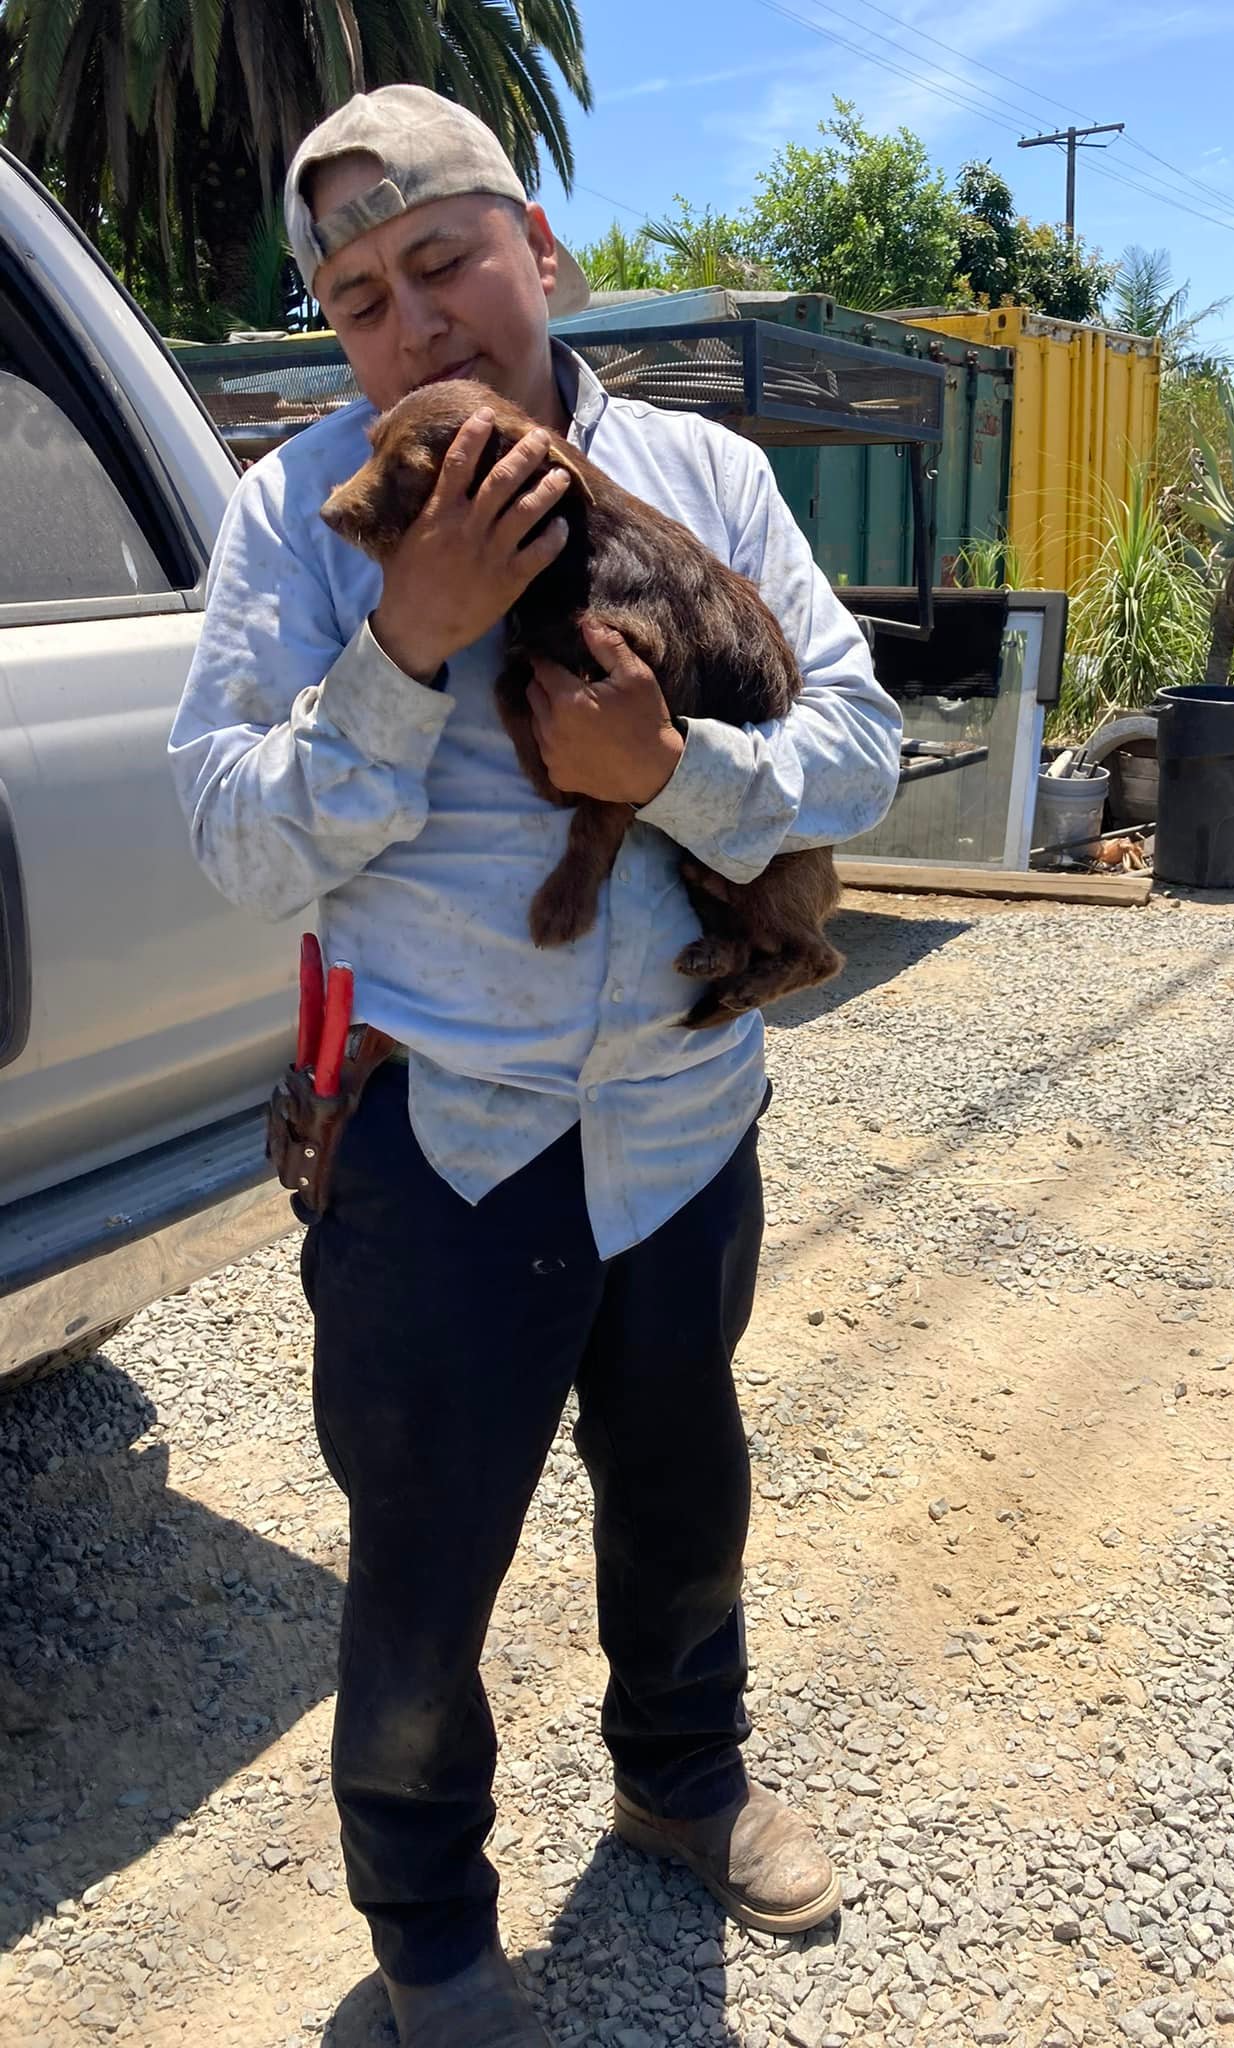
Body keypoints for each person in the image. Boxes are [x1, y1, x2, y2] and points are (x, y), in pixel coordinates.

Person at [169, 84, 901, 2048]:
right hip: (434, 1144)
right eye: (354, 296)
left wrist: (672, 775)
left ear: (538, 253)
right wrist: (404, 648)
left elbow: (864, 742)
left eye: (441, 262)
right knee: (425, 1557)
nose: (409, 320)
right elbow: (235, 837)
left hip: (679, 1124)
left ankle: (682, 1779)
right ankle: (429, 1936)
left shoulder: (706, 480)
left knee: (684, 1492)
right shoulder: (302, 522)